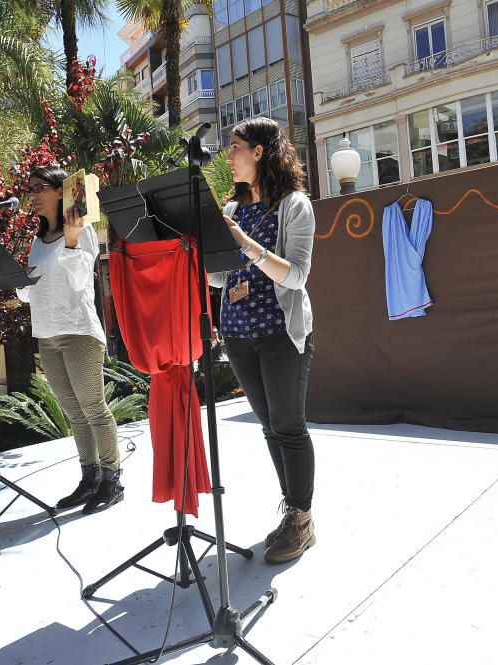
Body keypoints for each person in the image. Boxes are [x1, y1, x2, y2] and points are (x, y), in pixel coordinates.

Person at [209, 117, 317, 564]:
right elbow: (219, 279)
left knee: (289, 428)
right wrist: (203, 247)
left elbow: (296, 276)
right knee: (270, 429)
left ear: (259, 151)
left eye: (234, 148)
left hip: (280, 332)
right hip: (237, 333)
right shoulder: (232, 211)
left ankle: (302, 518)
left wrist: (246, 244)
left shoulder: (294, 205)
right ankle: (291, 508)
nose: (228, 157)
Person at [17, 165, 123, 514]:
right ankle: (89, 479)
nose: (31, 195)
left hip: (78, 332)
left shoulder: (83, 230)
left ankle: (112, 480)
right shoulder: (37, 240)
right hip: (46, 334)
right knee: (74, 414)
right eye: (29, 189)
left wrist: (73, 239)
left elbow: (81, 283)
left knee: (93, 409)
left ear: (59, 191)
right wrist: (15, 281)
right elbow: (28, 294)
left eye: (38, 188)